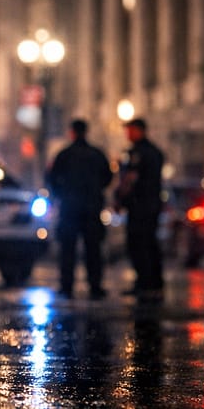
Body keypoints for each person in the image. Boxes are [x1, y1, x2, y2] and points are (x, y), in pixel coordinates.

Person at [47, 118, 113, 299]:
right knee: (93, 250)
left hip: (70, 209)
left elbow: (52, 178)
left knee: (68, 249)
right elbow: (107, 178)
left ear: (72, 132)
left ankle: (66, 286)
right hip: (92, 208)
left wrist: (61, 195)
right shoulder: (97, 154)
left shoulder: (64, 155)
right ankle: (95, 286)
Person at [115, 118, 165, 299]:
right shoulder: (154, 152)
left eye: (130, 130)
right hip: (150, 204)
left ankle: (145, 282)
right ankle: (153, 282)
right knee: (150, 243)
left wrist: (119, 197)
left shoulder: (139, 153)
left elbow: (130, 178)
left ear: (139, 130)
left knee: (139, 243)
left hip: (140, 204)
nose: (127, 134)